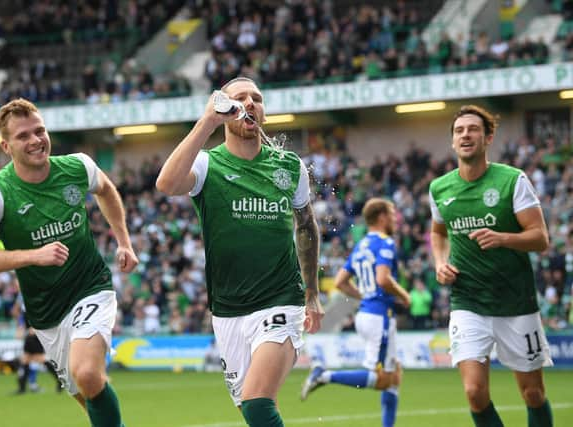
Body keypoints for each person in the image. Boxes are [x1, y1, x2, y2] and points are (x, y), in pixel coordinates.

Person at [156, 77, 324, 427]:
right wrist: (208, 121)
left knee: (257, 404)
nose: (250, 103)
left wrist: (312, 293)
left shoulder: (289, 166)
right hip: (228, 309)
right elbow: (167, 184)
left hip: (281, 299)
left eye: (257, 98)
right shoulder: (206, 165)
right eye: (240, 98)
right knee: (253, 411)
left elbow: (306, 226)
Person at [0, 98, 138, 427]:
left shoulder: (77, 166)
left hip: (91, 287)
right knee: (89, 395)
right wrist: (34, 255)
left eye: (40, 131)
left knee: (87, 373)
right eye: (23, 136)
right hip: (45, 312)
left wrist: (123, 241)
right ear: (5, 146)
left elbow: (106, 189)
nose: (36, 140)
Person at [429, 105, 553, 427]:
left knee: (533, 394)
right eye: (459, 131)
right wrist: (440, 262)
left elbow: (540, 238)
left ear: (488, 138)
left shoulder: (513, 180)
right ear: (453, 141)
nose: (465, 135)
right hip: (468, 301)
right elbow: (438, 232)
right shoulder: (439, 188)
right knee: (474, 392)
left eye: (472, 129)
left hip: (515, 301)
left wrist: (502, 238)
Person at [300, 198, 411, 427]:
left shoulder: (361, 246)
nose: (395, 219)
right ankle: (324, 374)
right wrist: (403, 295)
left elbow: (340, 281)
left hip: (368, 313)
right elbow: (382, 278)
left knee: (392, 379)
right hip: (379, 317)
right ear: (381, 217)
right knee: (378, 378)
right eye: (391, 215)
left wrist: (365, 295)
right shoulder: (385, 243)